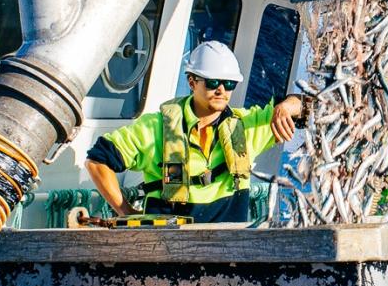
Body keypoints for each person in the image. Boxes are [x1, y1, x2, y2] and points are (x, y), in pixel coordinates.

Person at [85, 41, 304, 223]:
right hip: (165, 251)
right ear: (191, 82)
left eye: (229, 84)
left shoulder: (247, 126)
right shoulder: (156, 128)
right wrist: (127, 213)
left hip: (228, 251)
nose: (221, 90)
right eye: (212, 82)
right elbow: (97, 160)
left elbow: (311, 104)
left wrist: (285, 107)